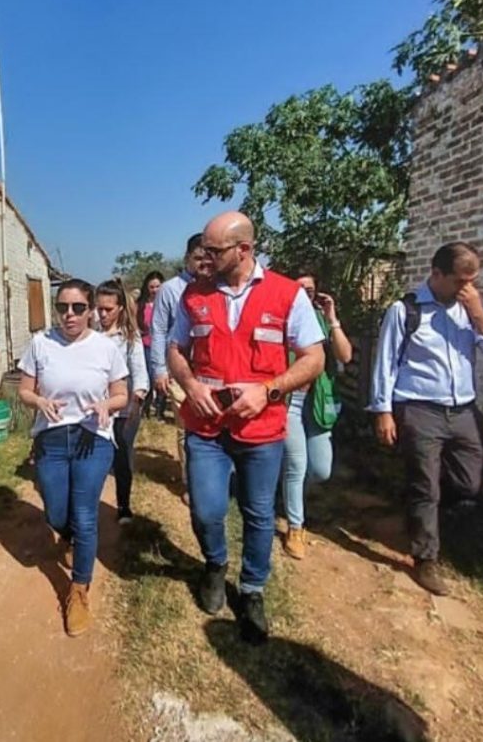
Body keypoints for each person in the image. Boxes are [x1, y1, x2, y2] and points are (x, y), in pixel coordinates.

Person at [168, 212, 325, 644]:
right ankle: (215, 563)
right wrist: (191, 384)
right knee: (206, 509)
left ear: (244, 250)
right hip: (206, 427)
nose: (205, 257)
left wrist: (269, 390)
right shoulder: (194, 295)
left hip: (261, 429)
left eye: (214, 250)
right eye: (203, 249)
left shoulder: (287, 294)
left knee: (258, 514)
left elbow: (314, 358)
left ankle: (252, 589)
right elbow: (175, 349)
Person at [369, 242, 483, 596]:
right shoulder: (405, 310)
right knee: (426, 486)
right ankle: (425, 558)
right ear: (436, 274)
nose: (468, 287)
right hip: (420, 410)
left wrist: (479, 314)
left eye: (473, 280)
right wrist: (383, 411)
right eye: (460, 280)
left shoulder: (471, 308)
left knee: (468, 484)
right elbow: (385, 363)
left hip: (463, 411)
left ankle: (419, 512)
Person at [18, 279, 129, 636]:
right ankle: (69, 537)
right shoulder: (41, 343)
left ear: (91, 310)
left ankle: (79, 589)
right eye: (62, 307)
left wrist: (106, 405)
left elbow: (122, 395)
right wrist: (39, 401)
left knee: (84, 514)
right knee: (56, 512)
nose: (69, 314)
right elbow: (24, 390)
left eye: (78, 307)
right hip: (51, 439)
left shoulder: (106, 348)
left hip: (92, 439)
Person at [279, 273, 353, 560]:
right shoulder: (282, 318)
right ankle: (295, 526)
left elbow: (345, 356)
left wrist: (333, 319)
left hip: (319, 402)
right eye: (299, 289)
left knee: (321, 470)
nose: (305, 295)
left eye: (310, 290)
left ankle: (288, 493)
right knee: (296, 464)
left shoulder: (321, 320)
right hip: (291, 401)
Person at [149, 233, 212, 495]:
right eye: (197, 258)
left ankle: (213, 479)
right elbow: (158, 330)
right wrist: (159, 369)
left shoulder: (215, 286)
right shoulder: (170, 290)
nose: (203, 263)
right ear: (187, 258)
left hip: (211, 370)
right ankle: (190, 484)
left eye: (207, 258)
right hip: (179, 370)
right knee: (186, 427)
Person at [96, 279, 150, 524]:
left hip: (124, 408)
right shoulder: (91, 336)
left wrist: (138, 395)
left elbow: (139, 370)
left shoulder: (129, 337)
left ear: (119, 308)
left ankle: (123, 505)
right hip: (96, 407)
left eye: (108, 309)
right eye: (99, 308)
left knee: (122, 456)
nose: (103, 314)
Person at [136, 270, 165, 418]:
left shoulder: (166, 304)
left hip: (163, 347)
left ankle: (160, 409)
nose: (155, 290)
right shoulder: (141, 306)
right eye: (152, 287)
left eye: (158, 286)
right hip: (146, 346)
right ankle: (145, 408)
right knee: (147, 377)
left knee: (161, 378)